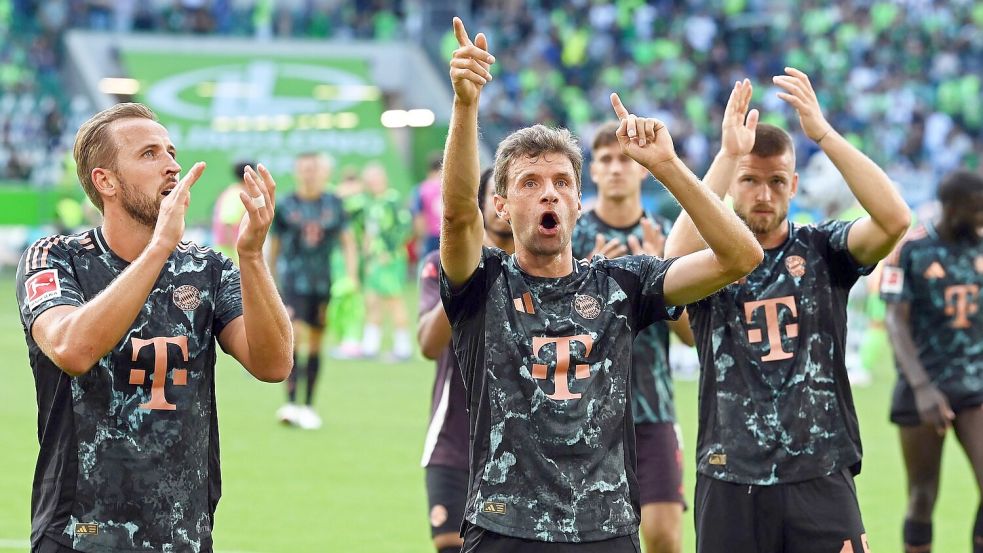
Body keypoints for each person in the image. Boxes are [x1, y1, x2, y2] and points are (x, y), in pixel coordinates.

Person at [441, 18, 762, 551]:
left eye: (562, 183)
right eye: (530, 183)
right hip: (504, 530)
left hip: (606, 530)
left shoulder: (622, 282)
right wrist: (465, 104)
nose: (549, 194)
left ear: (576, 202)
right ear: (500, 205)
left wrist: (669, 167)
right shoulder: (483, 283)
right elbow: (455, 219)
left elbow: (739, 257)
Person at [15, 102, 292, 553]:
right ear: (105, 181)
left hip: (182, 535)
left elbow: (274, 363)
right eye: (149, 154)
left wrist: (253, 257)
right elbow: (71, 348)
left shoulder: (208, 269)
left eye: (170, 151)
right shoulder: (55, 258)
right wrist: (160, 248)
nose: (172, 165)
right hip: (79, 535)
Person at [664, 75, 911, 553]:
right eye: (750, 180)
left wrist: (822, 134)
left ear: (793, 185)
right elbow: (672, 263)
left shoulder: (822, 248)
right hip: (730, 472)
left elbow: (894, 219)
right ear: (732, 186)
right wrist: (725, 156)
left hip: (820, 467)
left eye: (776, 181)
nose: (763, 194)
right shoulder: (713, 261)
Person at [571, 121, 695, 553]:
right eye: (605, 159)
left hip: (652, 406)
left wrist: (665, 273)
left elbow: (691, 337)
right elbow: (556, 326)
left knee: (663, 537)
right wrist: (585, 281)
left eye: (625, 158)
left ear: (643, 168)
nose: (616, 168)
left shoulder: (668, 235)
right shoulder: (574, 237)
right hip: (587, 411)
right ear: (594, 171)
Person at [881, 170, 983, 553]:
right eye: (975, 210)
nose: (981, 217)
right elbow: (894, 320)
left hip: (975, 384)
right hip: (923, 386)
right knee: (923, 495)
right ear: (951, 208)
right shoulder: (912, 248)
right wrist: (923, 387)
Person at [417, 167, 514, 553]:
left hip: (523, 447)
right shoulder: (442, 263)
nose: (501, 204)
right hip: (455, 437)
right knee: (449, 545)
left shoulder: (544, 269)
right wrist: (462, 278)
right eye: (495, 194)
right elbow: (427, 344)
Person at [269, 151, 358, 430]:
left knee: (317, 343)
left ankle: (308, 405)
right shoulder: (285, 205)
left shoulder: (333, 204)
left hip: (323, 283)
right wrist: (270, 283)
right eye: (304, 169)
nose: (309, 174)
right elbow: (274, 248)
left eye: (313, 169)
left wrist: (352, 276)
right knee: (295, 338)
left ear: (322, 173)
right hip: (293, 283)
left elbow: (348, 241)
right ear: (297, 172)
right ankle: (291, 403)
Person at [360, 163, 414, 361]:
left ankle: (403, 348)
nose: (372, 183)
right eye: (369, 180)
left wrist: (390, 251)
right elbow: (369, 232)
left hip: (389, 260)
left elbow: (405, 228)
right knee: (372, 300)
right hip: (374, 261)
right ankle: (370, 346)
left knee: (394, 300)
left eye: (375, 179)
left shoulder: (393, 200)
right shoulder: (372, 203)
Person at [210, 160, 254, 263]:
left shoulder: (234, 192)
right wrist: (235, 258)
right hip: (228, 258)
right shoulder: (235, 195)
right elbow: (228, 224)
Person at [414, 153, 444, 259]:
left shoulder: (421, 189)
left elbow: (418, 217)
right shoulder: (450, 188)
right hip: (450, 236)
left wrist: (419, 240)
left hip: (430, 238)